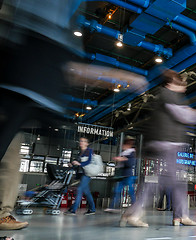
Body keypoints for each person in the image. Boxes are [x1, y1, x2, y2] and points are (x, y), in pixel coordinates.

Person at [0, 0, 147, 230]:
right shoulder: (46, 26)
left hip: (31, 93)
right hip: (23, 90)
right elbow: (75, 71)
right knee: (11, 157)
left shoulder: (57, 32)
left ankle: (4, 213)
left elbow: (74, 71)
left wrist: (122, 77)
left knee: (12, 159)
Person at [120, 69, 196, 227]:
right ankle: (134, 212)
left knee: (177, 181)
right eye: (181, 84)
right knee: (164, 180)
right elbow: (184, 116)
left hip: (170, 144)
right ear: (171, 83)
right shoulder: (167, 95)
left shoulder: (171, 96)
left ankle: (181, 215)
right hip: (166, 143)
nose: (184, 87)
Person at [64, 137, 96, 215]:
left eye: (83, 141)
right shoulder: (80, 152)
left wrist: (80, 163)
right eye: (80, 141)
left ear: (87, 143)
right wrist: (72, 164)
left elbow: (89, 162)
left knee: (79, 190)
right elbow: (78, 165)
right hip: (81, 174)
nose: (81, 142)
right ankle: (92, 209)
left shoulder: (89, 151)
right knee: (87, 192)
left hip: (87, 174)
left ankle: (73, 210)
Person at [105, 136, 137, 213]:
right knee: (117, 191)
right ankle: (113, 207)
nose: (122, 147)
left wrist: (123, 159)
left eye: (124, 145)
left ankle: (135, 206)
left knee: (130, 191)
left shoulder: (131, 153)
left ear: (128, 145)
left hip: (128, 175)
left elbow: (131, 164)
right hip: (123, 176)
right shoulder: (124, 154)